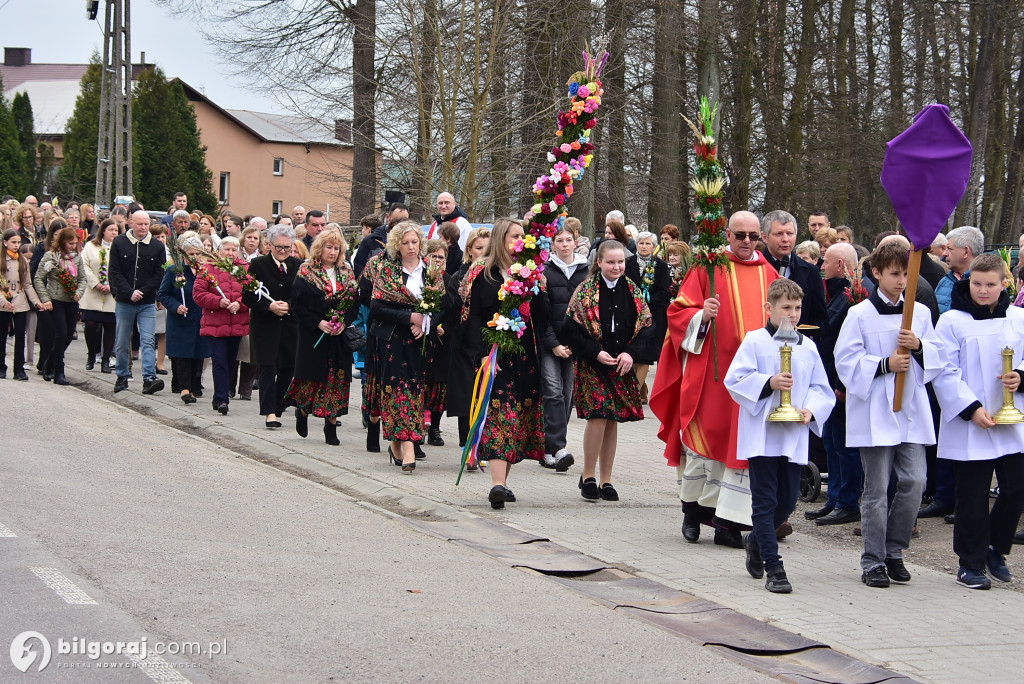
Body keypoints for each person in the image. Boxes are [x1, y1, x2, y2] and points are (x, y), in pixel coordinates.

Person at [650, 210, 780, 547]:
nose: (748, 242)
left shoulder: (769, 272)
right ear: (727, 235)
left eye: (754, 236)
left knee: (741, 450)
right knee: (706, 445)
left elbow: (782, 316)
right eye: (741, 236)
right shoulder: (708, 266)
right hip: (711, 375)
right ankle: (692, 512)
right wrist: (701, 316)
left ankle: (727, 525)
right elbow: (677, 312)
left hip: (752, 381)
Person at [835, 240, 941, 588]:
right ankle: (873, 559)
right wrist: (884, 364)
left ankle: (894, 550)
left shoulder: (920, 314)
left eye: (907, 275)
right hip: (876, 410)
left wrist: (920, 347)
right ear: (877, 273)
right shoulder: (860, 314)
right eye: (895, 274)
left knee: (915, 481)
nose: (902, 281)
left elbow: (939, 359)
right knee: (876, 488)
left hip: (909, 408)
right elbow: (846, 361)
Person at [726, 278, 834, 593]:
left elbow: (820, 387)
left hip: (793, 433)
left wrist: (811, 410)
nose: (792, 313)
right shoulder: (755, 340)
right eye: (786, 307)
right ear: (768, 308)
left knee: (786, 501)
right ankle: (774, 567)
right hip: (762, 433)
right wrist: (768, 382)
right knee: (764, 500)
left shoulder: (808, 346)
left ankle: (756, 541)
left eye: (797, 307)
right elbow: (736, 379)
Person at [931, 254, 1024, 589]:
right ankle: (969, 564)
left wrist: (1021, 378)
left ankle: (996, 547)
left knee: (1016, 488)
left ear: (1005, 284)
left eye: (991, 285)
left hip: (1012, 419)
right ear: (968, 282)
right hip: (971, 420)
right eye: (977, 284)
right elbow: (943, 370)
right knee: (972, 495)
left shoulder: (1018, 318)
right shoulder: (953, 321)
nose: (983, 291)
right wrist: (970, 408)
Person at [461, 218, 547, 508]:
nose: (519, 241)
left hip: (523, 356)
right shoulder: (483, 275)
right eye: (514, 236)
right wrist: (482, 355)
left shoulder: (527, 275)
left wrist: (539, 287)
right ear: (501, 239)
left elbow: (542, 316)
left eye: (522, 236)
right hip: (494, 356)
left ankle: (504, 482)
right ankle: (497, 484)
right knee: (500, 415)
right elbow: (472, 319)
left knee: (517, 418)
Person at [564, 239, 653, 501]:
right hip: (594, 363)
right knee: (598, 415)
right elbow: (571, 328)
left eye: (621, 262)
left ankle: (607, 479)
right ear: (599, 262)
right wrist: (594, 352)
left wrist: (631, 353)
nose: (616, 267)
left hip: (621, 364)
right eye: (611, 262)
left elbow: (648, 326)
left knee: (612, 418)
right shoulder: (586, 290)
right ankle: (588, 475)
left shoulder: (633, 291)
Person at [370, 221, 441, 472]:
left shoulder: (430, 269)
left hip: (421, 341)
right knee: (398, 393)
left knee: (415, 393)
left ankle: (397, 443)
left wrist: (426, 322)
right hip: (393, 340)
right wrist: (411, 317)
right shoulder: (388, 270)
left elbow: (442, 304)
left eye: (414, 242)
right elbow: (377, 307)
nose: (411, 247)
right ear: (396, 246)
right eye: (405, 243)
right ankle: (408, 446)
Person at [806, 242, 864, 527]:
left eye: (826, 262)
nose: (821, 267)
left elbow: (846, 345)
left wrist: (841, 384)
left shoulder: (853, 297)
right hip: (829, 380)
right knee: (831, 441)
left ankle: (848, 501)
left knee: (844, 444)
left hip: (840, 384)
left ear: (841, 265)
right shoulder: (835, 294)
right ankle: (834, 500)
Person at [287, 230, 359, 445]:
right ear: (320, 248)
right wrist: (319, 322)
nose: (333, 251)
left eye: (336, 248)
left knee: (337, 380)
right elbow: (297, 306)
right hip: (313, 333)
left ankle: (331, 425)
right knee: (311, 379)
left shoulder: (346, 271)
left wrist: (343, 321)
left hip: (337, 336)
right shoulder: (306, 270)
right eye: (329, 247)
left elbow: (354, 302)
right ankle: (302, 411)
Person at [537, 225, 588, 472]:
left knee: (567, 396)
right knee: (552, 391)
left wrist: (578, 342)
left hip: (574, 343)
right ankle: (556, 447)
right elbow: (541, 313)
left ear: (576, 241)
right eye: (560, 240)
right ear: (553, 244)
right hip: (550, 342)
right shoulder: (545, 271)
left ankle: (552, 447)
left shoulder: (585, 270)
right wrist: (554, 344)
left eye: (569, 239)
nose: (565, 244)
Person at [243, 225, 301, 429]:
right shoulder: (258, 264)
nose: (283, 251)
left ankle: (277, 406)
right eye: (279, 247)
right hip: (265, 325)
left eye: (287, 247)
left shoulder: (299, 265)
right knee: (268, 368)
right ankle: (269, 412)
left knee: (287, 369)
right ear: (269, 245)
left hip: (290, 326)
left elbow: (303, 295)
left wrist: (290, 306)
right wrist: (269, 306)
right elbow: (247, 295)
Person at [109, 211, 168, 395]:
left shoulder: (157, 247)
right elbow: (115, 271)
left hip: (146, 301)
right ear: (130, 223)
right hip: (125, 301)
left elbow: (159, 274)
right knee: (122, 340)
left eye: (146, 224)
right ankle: (122, 375)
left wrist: (143, 291)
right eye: (139, 224)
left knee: (148, 340)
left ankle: (149, 378)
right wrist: (128, 292)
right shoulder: (119, 243)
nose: (143, 228)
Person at [442, 227, 491, 448]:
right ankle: (467, 444)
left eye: (488, 249)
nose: (484, 253)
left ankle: (485, 443)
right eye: (479, 248)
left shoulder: (497, 276)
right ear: (469, 250)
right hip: (463, 345)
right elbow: (452, 313)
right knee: (467, 396)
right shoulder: (459, 277)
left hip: (490, 342)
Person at [192, 237, 251, 415]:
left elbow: (252, 293)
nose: (231, 253)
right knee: (219, 362)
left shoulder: (245, 269)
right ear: (219, 251)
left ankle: (220, 397)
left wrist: (240, 304)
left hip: (236, 324)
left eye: (234, 250)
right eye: (227, 250)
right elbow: (198, 294)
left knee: (230, 361)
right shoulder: (208, 269)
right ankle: (221, 398)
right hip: (215, 324)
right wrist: (218, 302)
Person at [33, 226, 87, 386]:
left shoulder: (77, 257)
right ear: (62, 242)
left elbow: (82, 279)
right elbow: (38, 278)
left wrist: (79, 292)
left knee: (69, 334)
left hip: (71, 301)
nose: (72, 246)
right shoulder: (50, 256)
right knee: (61, 333)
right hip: (55, 300)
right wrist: (45, 298)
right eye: (70, 243)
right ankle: (59, 371)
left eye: (75, 243)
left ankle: (49, 361)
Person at [158, 233, 209, 404]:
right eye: (190, 254)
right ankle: (184, 389)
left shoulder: (205, 272)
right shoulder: (175, 270)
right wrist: (175, 306)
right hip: (180, 320)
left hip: (199, 320)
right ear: (183, 255)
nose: (193, 258)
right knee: (183, 355)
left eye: (197, 254)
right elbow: (163, 294)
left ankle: (195, 386)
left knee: (198, 354)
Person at [760, 209, 827, 329]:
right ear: (764, 237)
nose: (785, 239)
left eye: (790, 233)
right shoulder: (756, 268)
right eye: (779, 234)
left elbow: (819, 317)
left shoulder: (811, 271)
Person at [625, 231, 671, 404]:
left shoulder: (660, 266)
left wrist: (647, 299)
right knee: (633, 353)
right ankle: (642, 390)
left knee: (644, 355)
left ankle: (633, 394)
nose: (644, 247)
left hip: (652, 317)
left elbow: (664, 292)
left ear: (653, 246)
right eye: (641, 243)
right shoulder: (627, 263)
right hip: (630, 315)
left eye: (648, 244)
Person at [0, 228, 42, 380]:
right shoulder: (1, 259)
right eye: (13, 242)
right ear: (5, 243)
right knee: (2, 336)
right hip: (4, 301)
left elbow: (27, 284)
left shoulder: (22, 260)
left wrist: (36, 302)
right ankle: (1, 367)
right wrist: (3, 302)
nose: (16, 245)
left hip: (20, 301)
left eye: (18, 242)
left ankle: (19, 368)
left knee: (20, 336)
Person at [80, 218, 119, 373]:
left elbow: (121, 269)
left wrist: (112, 285)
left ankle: (105, 359)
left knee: (110, 326)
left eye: (116, 230)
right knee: (90, 324)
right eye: (111, 230)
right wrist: (96, 283)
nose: (114, 233)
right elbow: (85, 266)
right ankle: (91, 354)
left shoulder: (119, 248)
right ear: (103, 230)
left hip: (112, 294)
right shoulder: (90, 246)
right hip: (93, 292)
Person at [423, 239, 450, 446]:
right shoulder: (421, 278)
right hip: (422, 338)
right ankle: (420, 423)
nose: (437, 260)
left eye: (441, 257)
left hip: (443, 341)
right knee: (424, 384)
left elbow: (454, 310)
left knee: (439, 388)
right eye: (433, 256)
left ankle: (435, 428)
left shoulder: (450, 280)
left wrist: (444, 327)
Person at [935, 225, 984, 315]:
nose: (945, 253)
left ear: (966, 251)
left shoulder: (987, 284)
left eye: (949, 249)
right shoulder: (945, 281)